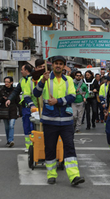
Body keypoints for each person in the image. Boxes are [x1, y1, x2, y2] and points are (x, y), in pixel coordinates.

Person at [33, 56, 85, 186]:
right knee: (50, 148)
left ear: (64, 66)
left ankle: (74, 176)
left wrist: (58, 101)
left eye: (61, 64)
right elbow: (36, 94)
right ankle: (51, 174)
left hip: (66, 121)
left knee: (69, 148)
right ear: (52, 65)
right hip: (50, 121)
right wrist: (42, 82)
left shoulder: (68, 80)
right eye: (56, 63)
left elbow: (72, 96)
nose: (58, 66)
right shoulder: (44, 78)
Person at [5, 64, 33, 152]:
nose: (21, 71)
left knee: (33, 128)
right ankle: (28, 147)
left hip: (34, 107)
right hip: (25, 107)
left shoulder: (33, 79)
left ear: (26, 71)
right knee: (26, 127)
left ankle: (34, 146)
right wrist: (9, 99)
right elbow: (16, 91)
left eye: (22, 69)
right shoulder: (22, 80)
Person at [0, 76, 21, 147]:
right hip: (4, 111)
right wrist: (3, 99)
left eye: (8, 82)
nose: (6, 83)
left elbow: (18, 102)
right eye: (5, 82)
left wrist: (20, 112)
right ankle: (8, 140)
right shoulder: (2, 90)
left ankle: (11, 140)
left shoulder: (14, 91)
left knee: (11, 125)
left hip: (13, 110)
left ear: (11, 82)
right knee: (7, 127)